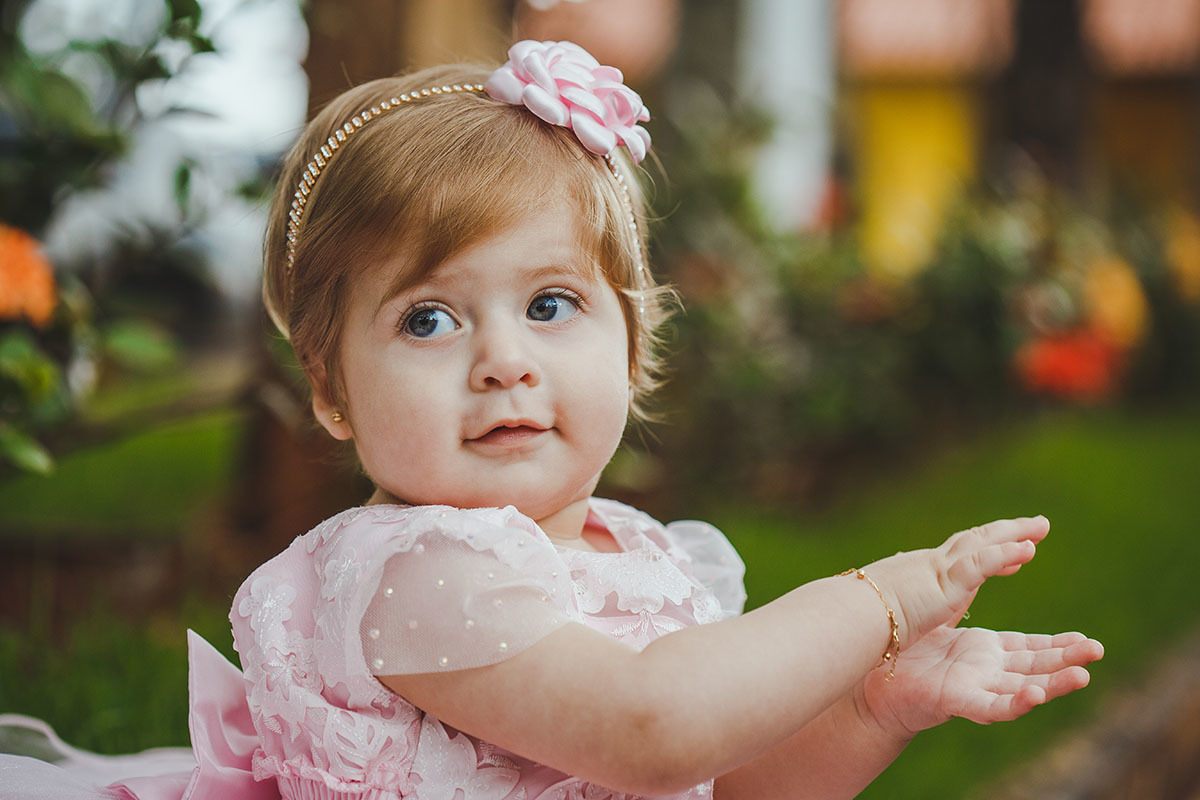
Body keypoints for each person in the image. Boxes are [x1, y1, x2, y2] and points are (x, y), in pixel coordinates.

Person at [0, 40, 1103, 800]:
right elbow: (653, 731)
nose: (504, 361)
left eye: (550, 304)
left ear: (632, 342)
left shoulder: (655, 557)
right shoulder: (415, 569)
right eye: (429, 318)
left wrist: (874, 708)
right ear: (330, 389)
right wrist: (882, 599)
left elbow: (719, 781)